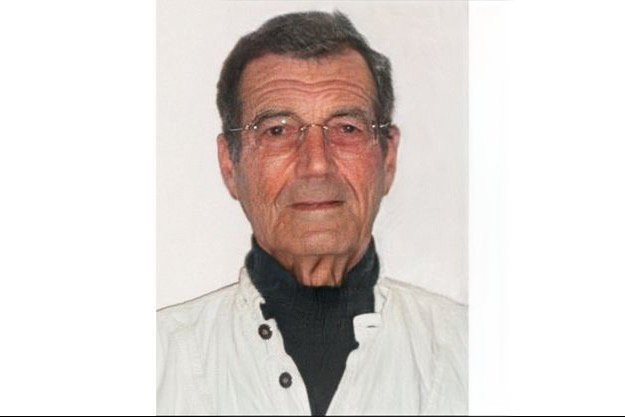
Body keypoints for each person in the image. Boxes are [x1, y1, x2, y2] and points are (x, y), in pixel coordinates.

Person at [157, 10, 467, 415]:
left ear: (388, 158)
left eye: (347, 128)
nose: (317, 164)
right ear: (230, 165)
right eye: (278, 130)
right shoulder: (158, 364)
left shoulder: (471, 354)